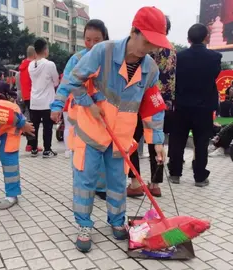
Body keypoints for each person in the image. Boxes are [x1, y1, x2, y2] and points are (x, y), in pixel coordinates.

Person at [57, 6, 168, 252]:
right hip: (92, 130)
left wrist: (157, 141)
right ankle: (84, 225)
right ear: (133, 31)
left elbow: (152, 108)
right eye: (147, 41)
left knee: (117, 183)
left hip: (120, 137)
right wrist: (88, 103)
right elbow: (73, 80)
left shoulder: (150, 67)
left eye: (154, 44)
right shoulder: (102, 52)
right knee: (85, 181)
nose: (149, 49)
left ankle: (117, 222)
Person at [51, 19, 109, 199]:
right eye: (88, 40)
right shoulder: (76, 59)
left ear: (105, 38)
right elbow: (65, 84)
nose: (91, 44)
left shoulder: (110, 60)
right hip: (82, 112)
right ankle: (81, 186)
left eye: (97, 40)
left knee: (103, 151)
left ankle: (101, 187)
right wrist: (57, 106)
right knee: (81, 151)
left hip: (104, 113)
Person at [127, 16, 177, 198]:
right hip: (163, 104)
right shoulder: (172, 50)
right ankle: (155, 184)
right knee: (156, 143)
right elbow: (172, 80)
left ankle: (134, 182)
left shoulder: (146, 47)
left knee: (132, 140)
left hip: (143, 103)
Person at [169, 24, 222, 187]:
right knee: (201, 142)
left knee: (177, 139)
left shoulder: (179, 57)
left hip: (181, 105)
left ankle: (175, 173)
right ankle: (199, 177)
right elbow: (213, 76)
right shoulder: (215, 57)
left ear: (189, 39)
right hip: (204, 107)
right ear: (206, 37)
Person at [29, 38, 59, 158]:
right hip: (47, 102)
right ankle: (47, 150)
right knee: (47, 127)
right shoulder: (49, 64)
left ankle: (34, 149)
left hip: (34, 101)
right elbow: (56, 81)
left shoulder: (31, 65)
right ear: (45, 49)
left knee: (34, 127)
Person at [18, 46, 43, 152]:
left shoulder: (22, 66)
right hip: (34, 95)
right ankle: (32, 145)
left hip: (25, 96)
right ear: (35, 54)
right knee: (34, 122)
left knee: (31, 120)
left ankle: (30, 144)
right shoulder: (32, 66)